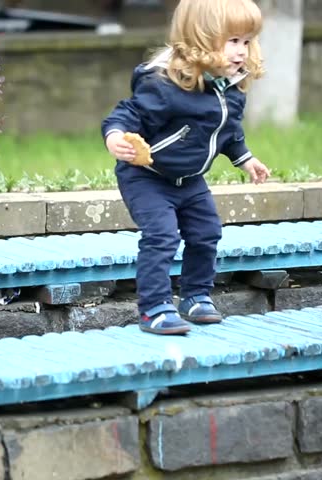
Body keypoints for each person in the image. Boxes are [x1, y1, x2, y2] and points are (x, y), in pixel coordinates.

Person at [101, 0, 271, 335]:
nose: (241, 51)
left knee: (206, 233)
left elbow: (229, 131)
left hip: (190, 180)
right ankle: (154, 308)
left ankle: (194, 296)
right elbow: (128, 112)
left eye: (246, 41)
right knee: (162, 236)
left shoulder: (230, 87)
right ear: (201, 38)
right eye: (232, 41)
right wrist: (115, 135)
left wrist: (246, 159)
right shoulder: (165, 84)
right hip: (147, 178)